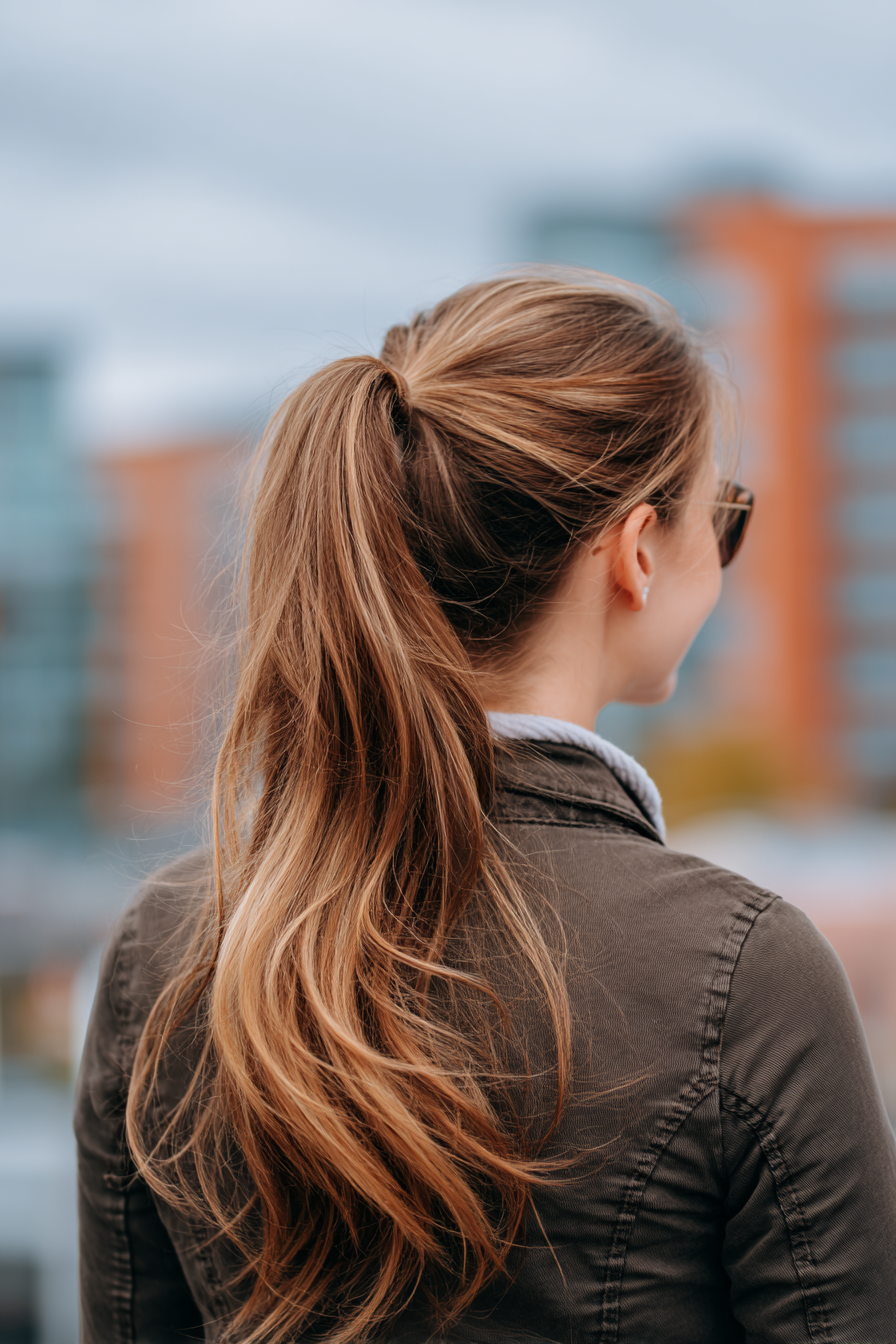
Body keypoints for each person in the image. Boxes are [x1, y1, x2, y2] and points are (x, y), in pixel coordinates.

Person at [76, 272, 896, 1344]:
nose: (723, 553)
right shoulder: (739, 970)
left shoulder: (169, 946)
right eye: (721, 516)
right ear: (636, 551)